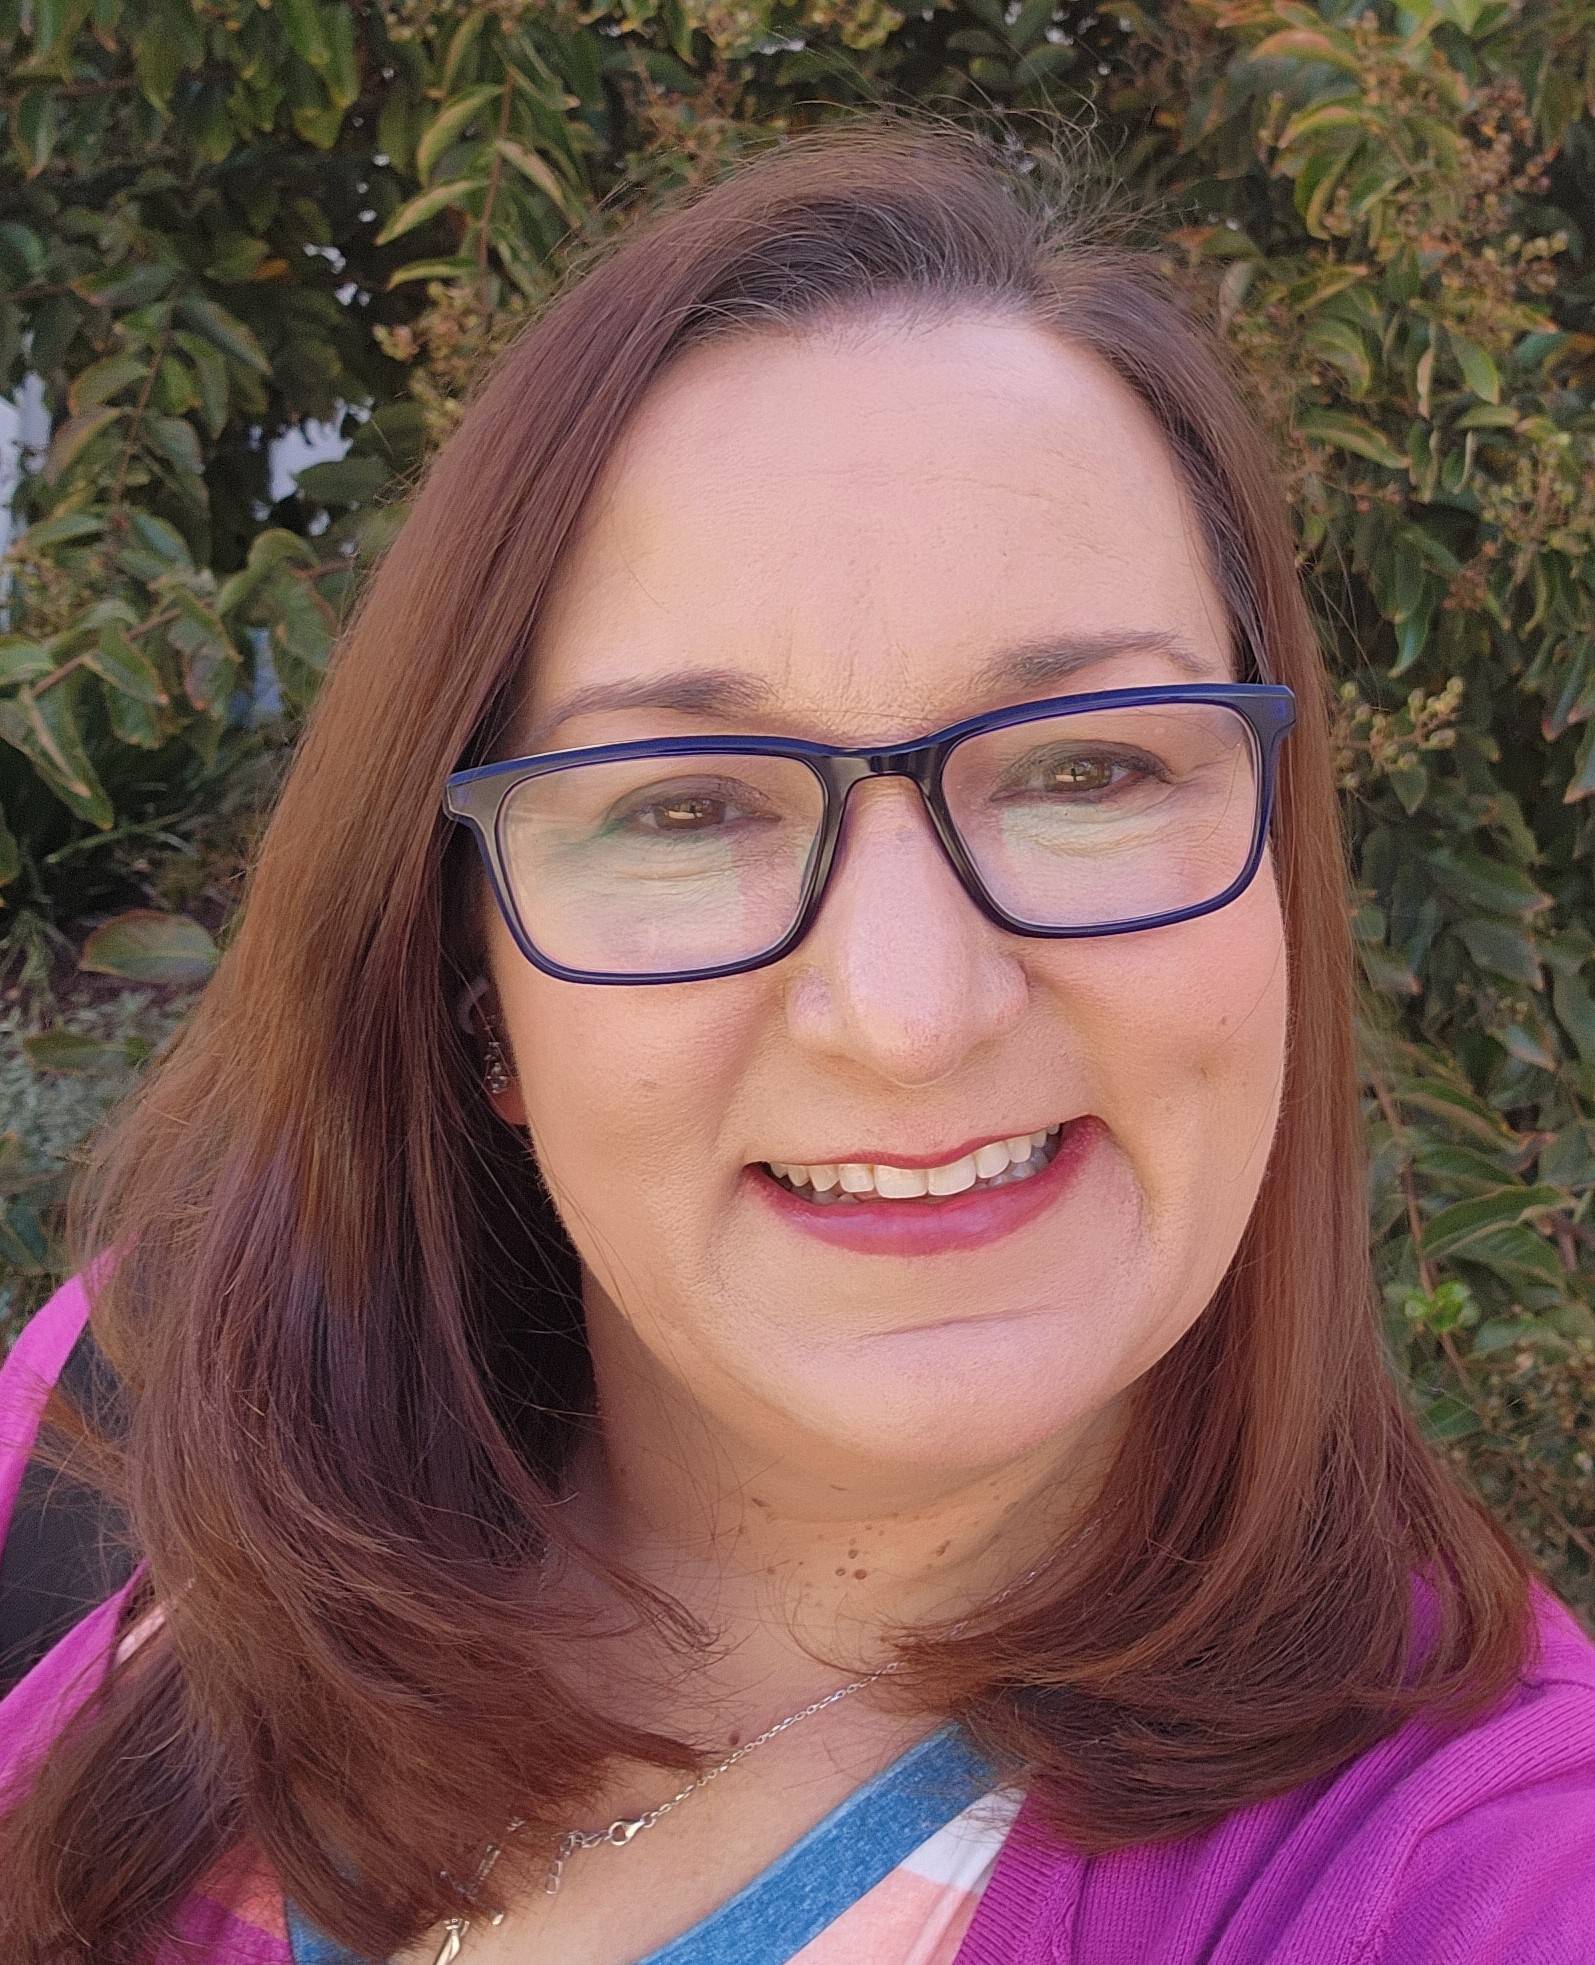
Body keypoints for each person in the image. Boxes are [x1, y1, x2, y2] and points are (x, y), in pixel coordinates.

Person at [1, 112, 1592, 1965]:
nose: (912, 1016)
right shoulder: (144, 1409)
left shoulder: (1466, 1877)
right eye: (685, 804)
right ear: (476, 990)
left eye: (1087, 768)